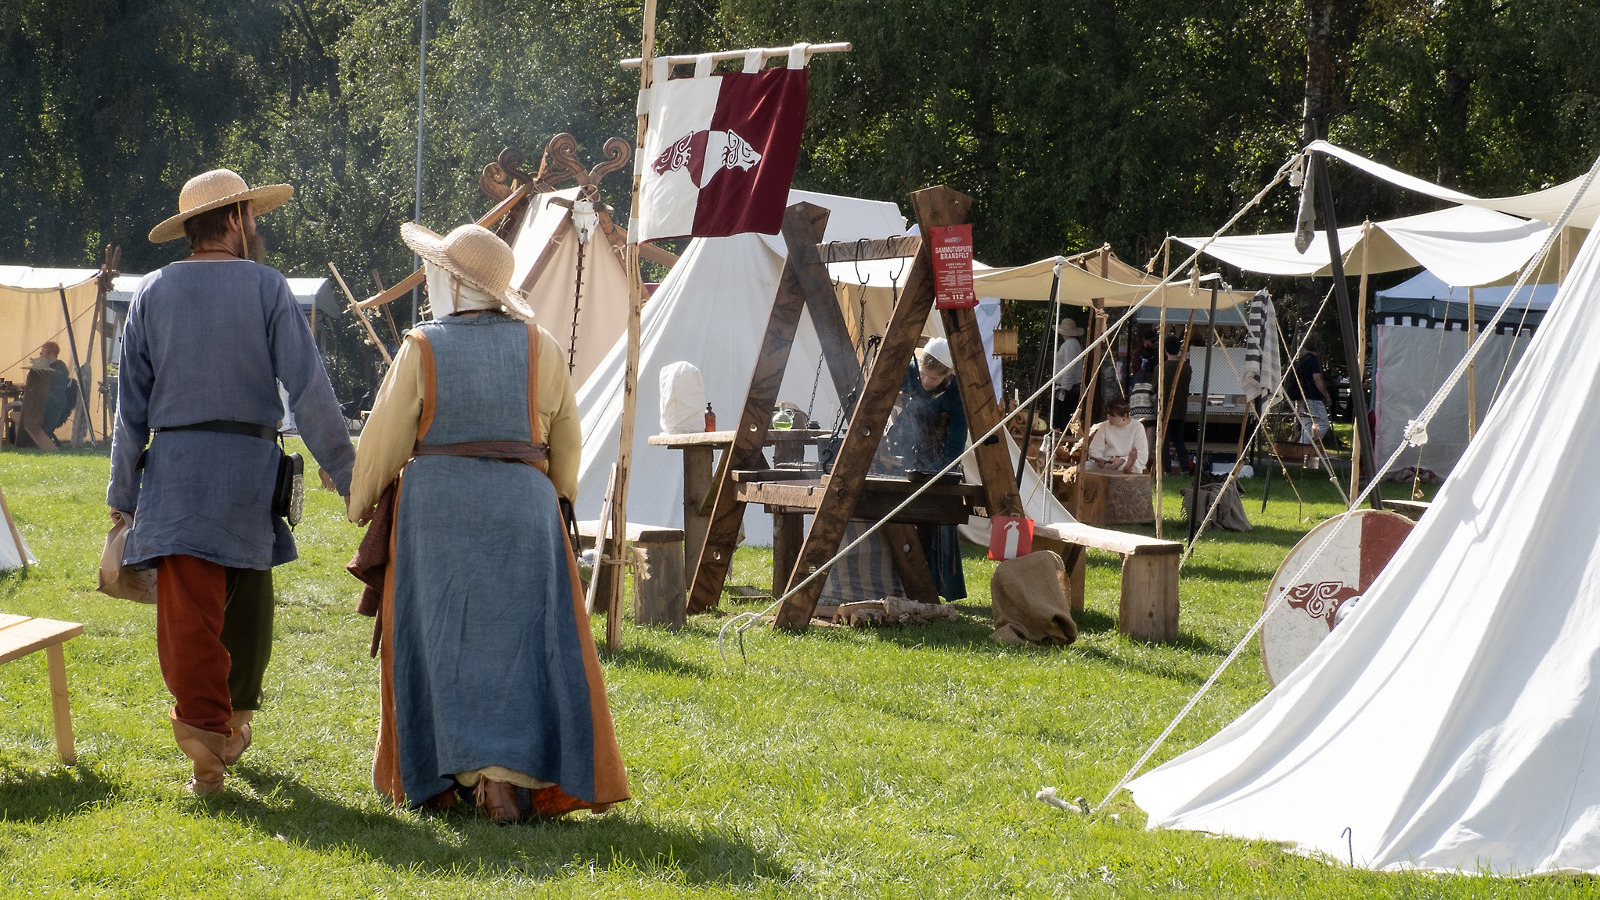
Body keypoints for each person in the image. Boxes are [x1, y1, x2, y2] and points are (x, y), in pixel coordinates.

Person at [346, 222, 628, 823]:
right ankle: (505, 783)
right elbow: (567, 439)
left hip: (436, 513)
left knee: (444, 641)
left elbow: (384, 442)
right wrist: (551, 498)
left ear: (451, 280)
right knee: (521, 646)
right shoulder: (540, 345)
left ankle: (467, 777)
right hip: (524, 508)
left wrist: (360, 500)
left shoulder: (421, 346)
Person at [107, 168, 355, 793]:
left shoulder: (151, 292)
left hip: (178, 477)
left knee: (191, 615)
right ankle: (218, 733)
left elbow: (129, 409)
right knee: (246, 608)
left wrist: (122, 498)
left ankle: (210, 740)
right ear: (239, 221)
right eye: (254, 219)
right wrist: (347, 470)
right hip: (248, 476)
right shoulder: (268, 287)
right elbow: (309, 387)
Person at [883, 337, 968, 602]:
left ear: (948, 374)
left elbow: (955, 448)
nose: (925, 382)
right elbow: (883, 385)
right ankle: (896, 583)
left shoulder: (956, 397)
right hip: (907, 455)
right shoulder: (909, 373)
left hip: (941, 464)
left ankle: (928, 586)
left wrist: (931, 473)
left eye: (932, 378)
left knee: (932, 523)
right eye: (922, 374)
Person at [1285, 334, 1339, 447]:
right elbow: (1317, 380)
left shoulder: (1302, 360)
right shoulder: (1314, 361)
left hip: (1301, 397)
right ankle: (1311, 445)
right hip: (1313, 397)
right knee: (1324, 423)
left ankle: (1303, 451)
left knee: (1306, 426)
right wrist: (1326, 395)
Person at [1083, 398, 1149, 475]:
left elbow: (1142, 454)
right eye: (1108, 414)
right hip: (1107, 462)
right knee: (1082, 467)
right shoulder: (1105, 426)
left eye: (1112, 416)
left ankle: (1128, 467)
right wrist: (1099, 458)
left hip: (1125, 462)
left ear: (1124, 416)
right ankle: (1126, 468)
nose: (1109, 417)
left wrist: (1122, 460)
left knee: (1134, 466)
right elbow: (1095, 448)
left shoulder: (1137, 427)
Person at [1159, 336, 1193, 474]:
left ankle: (1166, 469)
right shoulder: (1186, 368)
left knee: (1164, 441)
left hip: (1164, 409)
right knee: (1179, 440)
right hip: (1180, 407)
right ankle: (1185, 467)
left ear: (1165, 350)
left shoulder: (1161, 368)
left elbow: (1155, 387)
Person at [1050, 319, 1084, 430]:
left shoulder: (1070, 344)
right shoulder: (1071, 344)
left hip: (1069, 390)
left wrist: (1064, 389)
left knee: (1064, 421)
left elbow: (1070, 367)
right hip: (1068, 388)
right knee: (1062, 420)